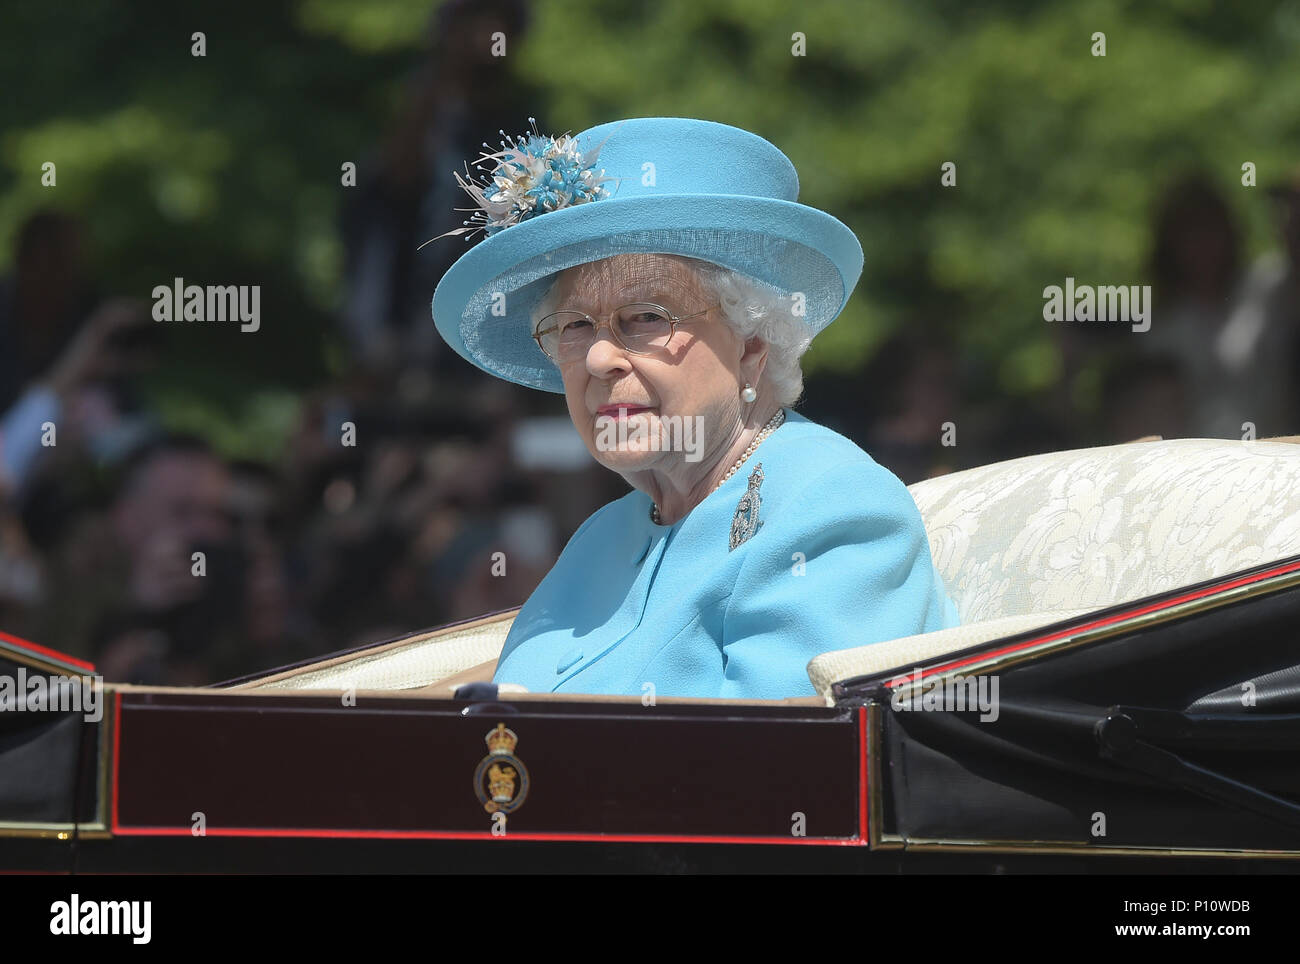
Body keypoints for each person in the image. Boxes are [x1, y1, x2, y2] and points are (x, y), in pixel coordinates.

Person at [430, 116, 959, 699]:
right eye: (575, 325)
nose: (601, 356)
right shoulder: (599, 539)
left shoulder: (833, 509)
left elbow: (782, 766)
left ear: (752, 350)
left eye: (648, 317)